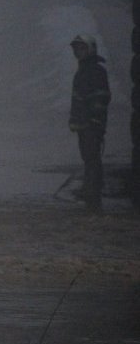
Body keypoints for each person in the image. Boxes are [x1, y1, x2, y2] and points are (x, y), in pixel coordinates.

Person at [68, 34, 110, 214]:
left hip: (91, 125)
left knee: (92, 159)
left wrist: (94, 120)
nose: (78, 52)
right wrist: (75, 120)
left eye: (82, 48)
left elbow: (101, 98)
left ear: (90, 49)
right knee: (89, 158)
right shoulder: (85, 70)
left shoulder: (95, 71)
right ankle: (91, 191)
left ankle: (93, 194)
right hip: (83, 125)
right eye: (76, 49)